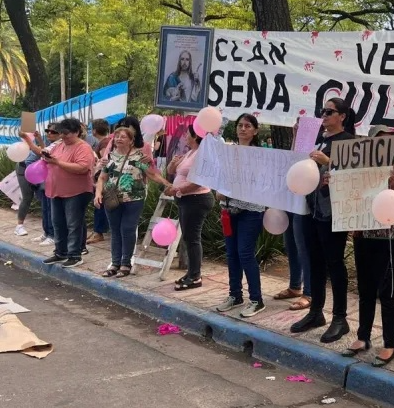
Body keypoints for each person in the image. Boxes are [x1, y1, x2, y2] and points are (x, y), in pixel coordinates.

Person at [343, 125, 394, 367]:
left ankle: (389, 343)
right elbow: (348, 196)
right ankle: (363, 337)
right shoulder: (360, 170)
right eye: (379, 142)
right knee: (365, 289)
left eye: (389, 142)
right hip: (364, 235)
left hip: (390, 238)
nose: (384, 147)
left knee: (388, 292)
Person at [291, 98, 356, 341]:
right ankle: (316, 311)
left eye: (329, 112)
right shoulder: (318, 140)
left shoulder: (350, 142)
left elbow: (356, 177)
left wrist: (328, 162)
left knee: (334, 263)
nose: (324, 115)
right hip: (311, 208)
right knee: (314, 261)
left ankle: (340, 318)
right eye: (322, 111)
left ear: (342, 116)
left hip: (333, 212)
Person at [94, 126, 169, 277]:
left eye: (123, 136)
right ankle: (115, 263)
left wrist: (167, 184)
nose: (119, 139)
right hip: (112, 198)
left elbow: (152, 174)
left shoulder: (139, 157)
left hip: (134, 199)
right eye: (117, 136)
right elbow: (102, 177)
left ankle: (125, 263)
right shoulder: (110, 157)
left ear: (131, 140)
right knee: (115, 231)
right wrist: (98, 193)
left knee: (127, 229)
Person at [214, 114, 267, 318]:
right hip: (229, 209)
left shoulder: (260, 155)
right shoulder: (228, 151)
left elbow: (258, 182)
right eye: (240, 125)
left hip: (251, 211)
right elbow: (219, 174)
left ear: (255, 130)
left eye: (247, 126)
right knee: (232, 254)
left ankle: (257, 299)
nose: (243, 129)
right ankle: (235, 295)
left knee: (245, 253)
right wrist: (219, 189)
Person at [164, 124, 214, 291]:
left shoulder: (201, 154)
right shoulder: (189, 153)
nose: (185, 136)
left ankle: (195, 276)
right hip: (185, 199)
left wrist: (177, 189)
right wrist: (173, 163)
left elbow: (200, 181)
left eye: (188, 133)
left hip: (197, 199)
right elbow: (173, 171)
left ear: (195, 136)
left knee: (192, 238)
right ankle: (191, 272)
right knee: (188, 237)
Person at [41, 118, 96, 268]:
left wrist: (57, 162)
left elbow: (82, 168)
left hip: (76, 191)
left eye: (67, 134)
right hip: (57, 190)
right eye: (61, 133)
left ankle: (75, 254)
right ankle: (61, 252)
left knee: (73, 224)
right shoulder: (59, 145)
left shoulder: (83, 147)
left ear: (77, 132)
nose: (63, 136)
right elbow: (48, 157)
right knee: (58, 223)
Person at [275, 118, 311, 309]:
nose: (298, 126)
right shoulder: (297, 144)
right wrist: (296, 137)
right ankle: (295, 286)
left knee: (303, 247)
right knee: (290, 244)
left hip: (304, 203)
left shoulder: (320, 142)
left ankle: (309, 293)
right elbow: (292, 163)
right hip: (290, 200)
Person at [88, 118, 112, 244]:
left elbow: (105, 161)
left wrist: (96, 174)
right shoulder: (105, 142)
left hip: (101, 178)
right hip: (100, 177)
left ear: (95, 131)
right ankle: (98, 231)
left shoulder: (104, 143)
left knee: (99, 204)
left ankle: (99, 232)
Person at [13, 131, 38, 237]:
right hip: (23, 170)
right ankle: (19, 226)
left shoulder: (41, 137)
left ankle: (49, 230)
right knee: (27, 197)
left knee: (45, 198)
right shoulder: (22, 141)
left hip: (38, 170)